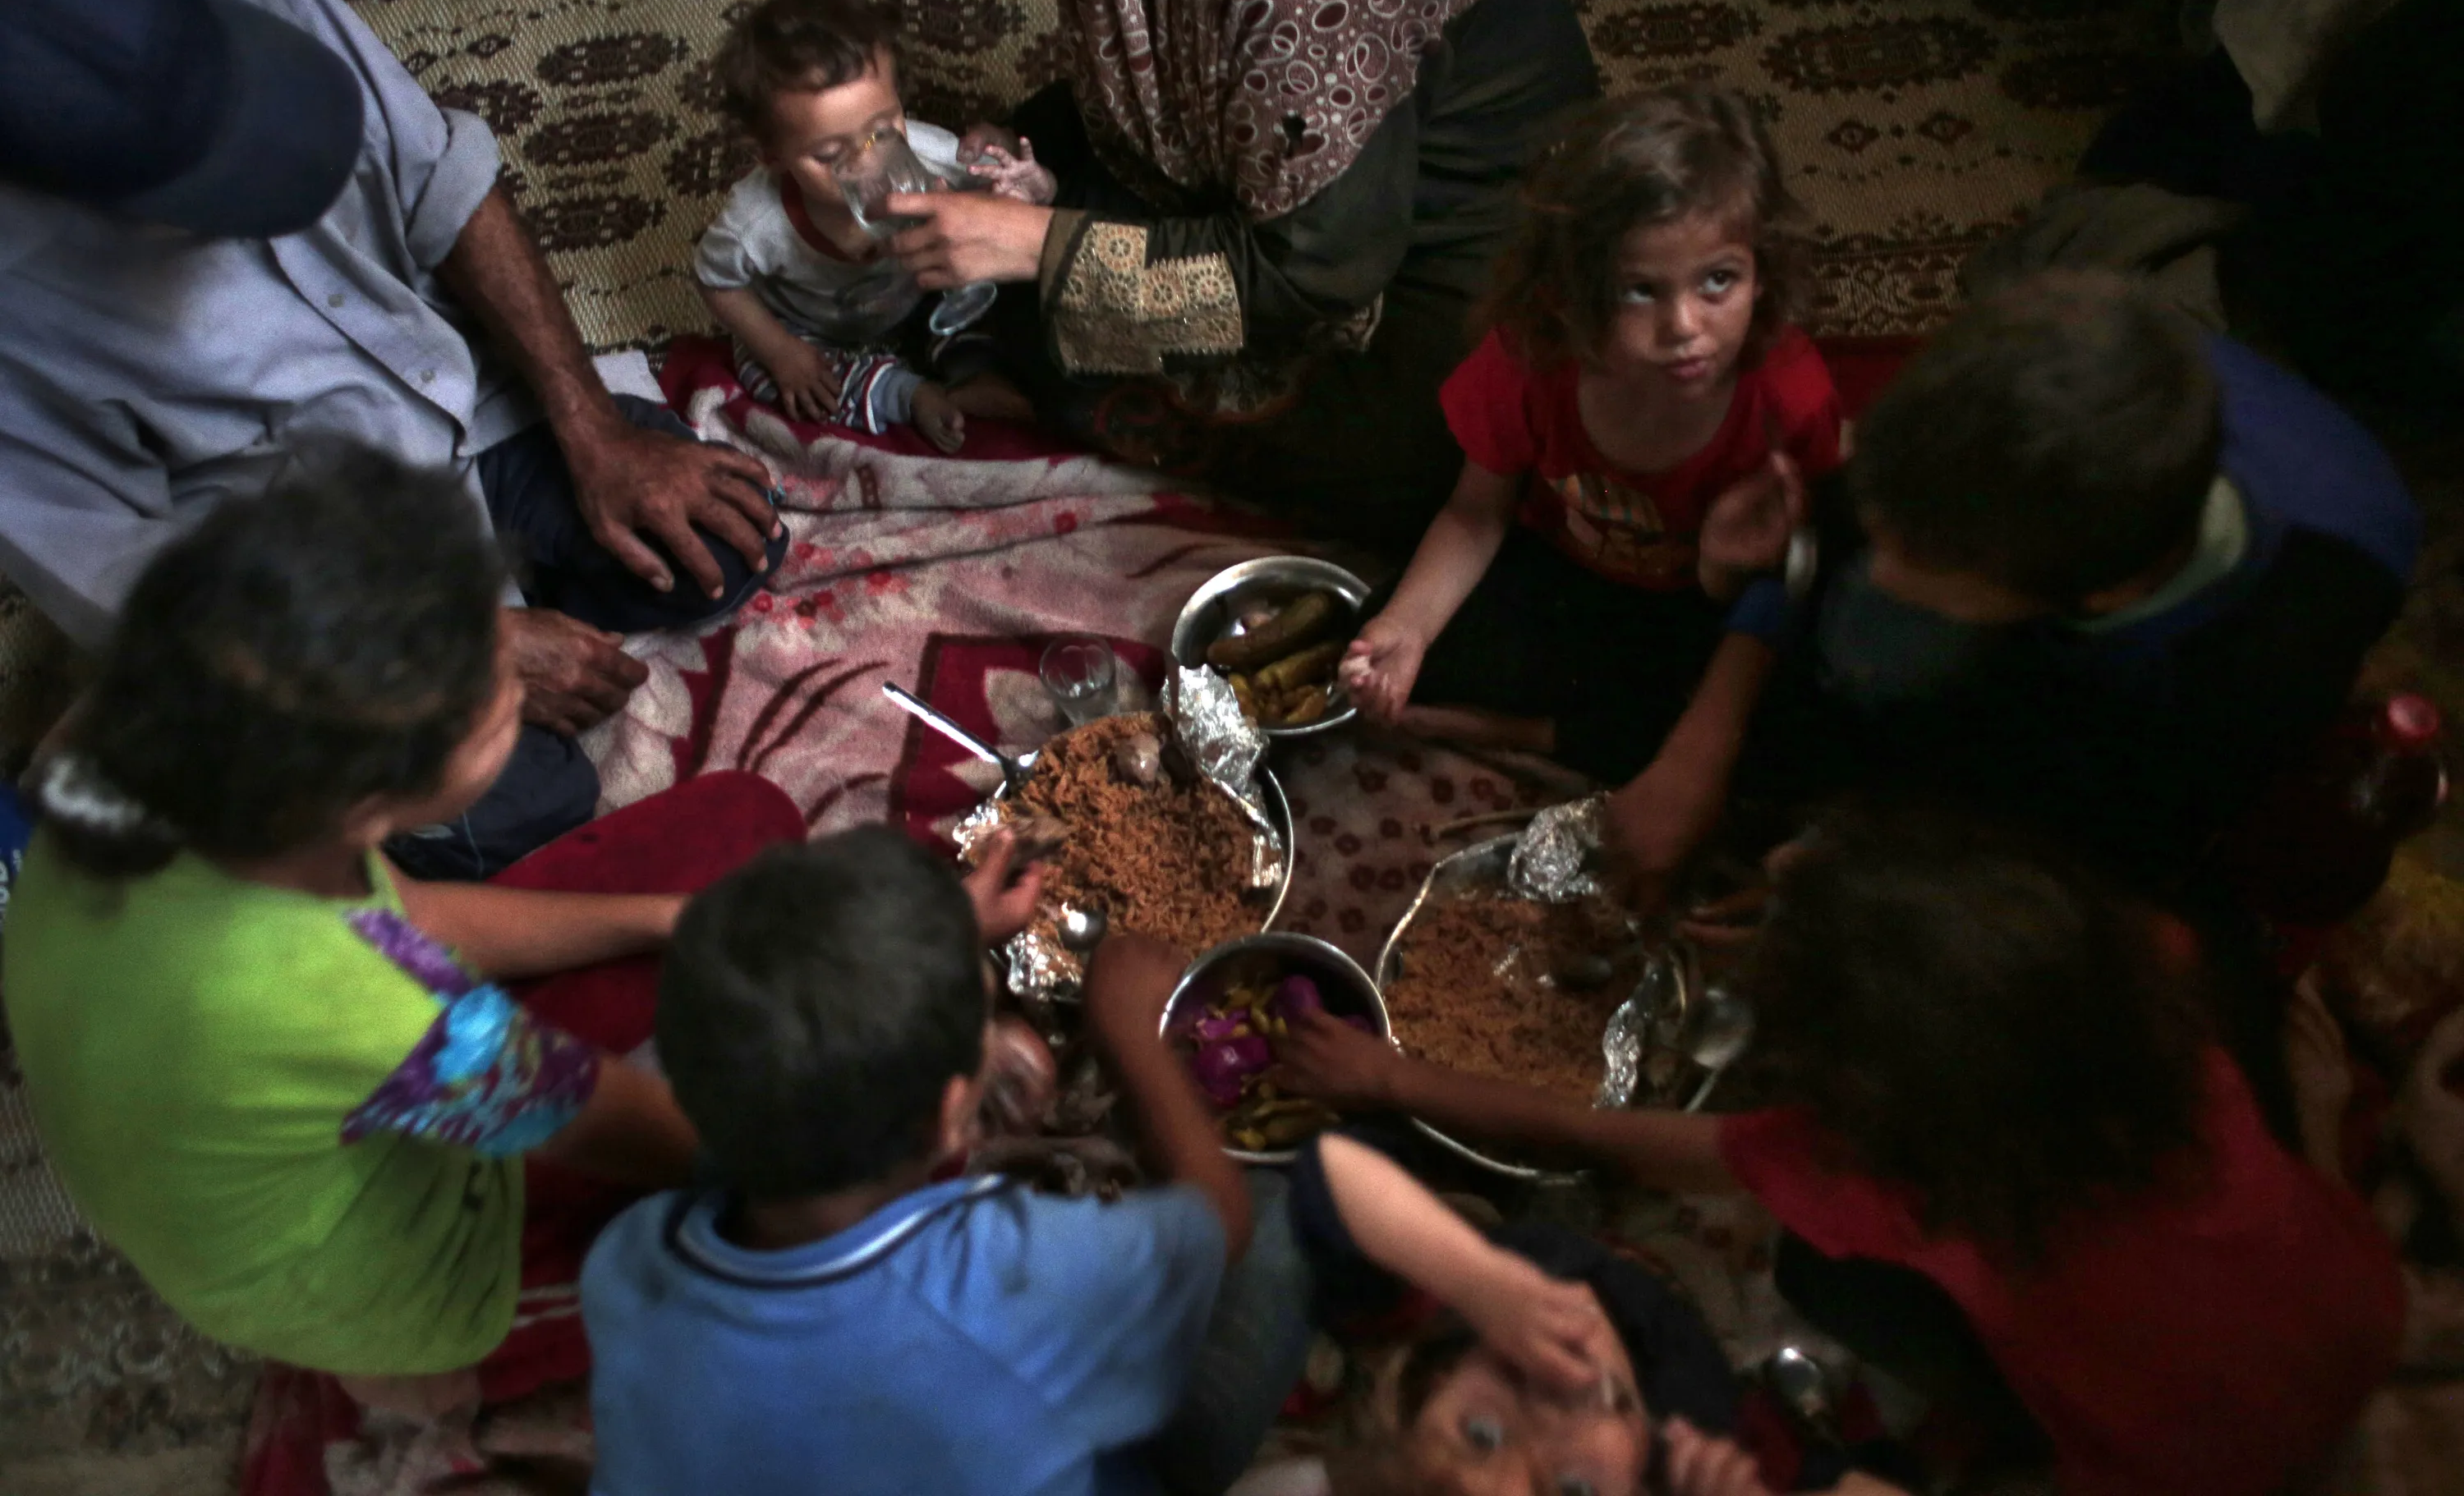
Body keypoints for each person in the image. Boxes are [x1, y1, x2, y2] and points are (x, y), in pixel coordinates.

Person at [0, 0, 788, 879]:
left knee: (722, 542)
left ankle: (514, 582)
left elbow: (437, 173)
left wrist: (593, 427)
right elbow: (130, 580)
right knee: (523, 804)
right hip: (285, 564)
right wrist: (455, 647)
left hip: (461, 403)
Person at [1279, 805, 2406, 1496]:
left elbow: (1623, 1140)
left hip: (2171, 1459)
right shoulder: (2151, 965)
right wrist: (1819, 896)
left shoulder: (1891, 1182)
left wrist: (1395, 1080)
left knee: (1818, 1272)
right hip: (2352, 1304)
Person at [1, 446, 715, 1420]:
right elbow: (620, 1127)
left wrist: (661, 918)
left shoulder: (108, 761)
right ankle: (437, 1374)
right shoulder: (365, 994)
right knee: (715, 1249)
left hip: (202, 1179)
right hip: (377, 1281)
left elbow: (408, 913)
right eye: (494, 694)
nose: (516, 669)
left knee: (723, 839)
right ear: (373, 801)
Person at [1597, 268, 2420, 909]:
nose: (1876, 573)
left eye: (1928, 574)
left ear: (2102, 595)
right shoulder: (2008, 403)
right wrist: (1701, 745)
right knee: (1856, 639)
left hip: (2135, 724)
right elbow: (1831, 530)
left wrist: (1872, 866)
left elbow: (2108, 848)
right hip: (2067, 622)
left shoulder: (2268, 654)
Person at [848, 0, 1601, 548]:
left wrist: (1035, 246)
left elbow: (1318, 270)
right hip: (1314, 148)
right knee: (1036, 205)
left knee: (1417, 456)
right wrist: (1026, 167)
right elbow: (1179, 74)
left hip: (1470, 219)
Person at [582, 833, 1257, 1496]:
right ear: (951, 1118)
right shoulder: (1013, 1274)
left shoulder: (626, 1265)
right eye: (986, 1022)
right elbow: (1220, 1220)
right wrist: (1132, 1032)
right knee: (1277, 1227)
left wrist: (925, 946)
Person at [1340, 90, 1841, 784]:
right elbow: (1476, 514)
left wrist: (1721, 566)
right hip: (1560, 576)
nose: (1684, 326)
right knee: (1380, 638)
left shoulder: (1789, 400)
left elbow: (1780, 595)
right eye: (1641, 291)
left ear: (1762, 274)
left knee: (1787, 722)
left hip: (1690, 604)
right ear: (1569, 292)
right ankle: (1571, 736)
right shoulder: (1530, 361)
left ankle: (1526, 733)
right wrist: (1408, 627)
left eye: (1718, 281)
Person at [1221, 1129, 1761, 1496]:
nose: (1550, 1411)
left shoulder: (1443, 1310)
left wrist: (1478, 1277)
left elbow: (1333, 1165)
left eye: (1480, 1433)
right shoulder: (1700, 1416)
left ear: (1437, 1384)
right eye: (1573, 1490)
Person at [696, 0, 1046, 452]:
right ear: (772, 155)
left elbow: (1014, 202)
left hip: (917, 298)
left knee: (998, 282)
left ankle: (973, 373)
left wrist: (1025, 182)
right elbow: (715, 280)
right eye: (829, 154)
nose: (867, 163)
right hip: (808, 327)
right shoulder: (754, 223)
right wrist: (781, 351)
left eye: (883, 130)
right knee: (773, 379)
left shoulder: (930, 154)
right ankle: (907, 395)